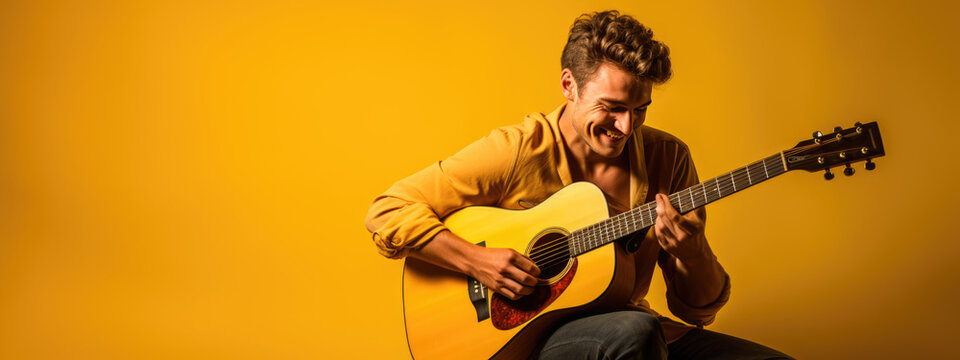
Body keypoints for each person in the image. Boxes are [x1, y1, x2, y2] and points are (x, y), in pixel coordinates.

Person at [365, 10, 793, 360]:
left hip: (633, 334)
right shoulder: (516, 150)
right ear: (569, 85)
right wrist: (477, 263)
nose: (626, 126)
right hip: (527, 341)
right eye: (612, 108)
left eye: (640, 109)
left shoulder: (669, 157)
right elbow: (387, 210)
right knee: (635, 332)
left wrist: (692, 251)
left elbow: (696, 309)